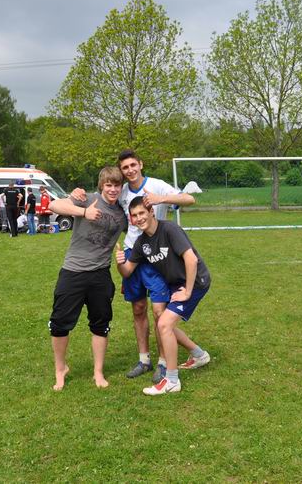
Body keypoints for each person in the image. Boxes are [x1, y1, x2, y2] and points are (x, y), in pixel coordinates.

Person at [72, 149, 195, 382]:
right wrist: (77, 193)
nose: (130, 170)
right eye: (125, 168)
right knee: (138, 308)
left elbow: (189, 199)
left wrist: (161, 199)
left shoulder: (157, 186)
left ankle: (163, 362)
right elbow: (103, 197)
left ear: (140, 164)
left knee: (159, 311)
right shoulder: (122, 191)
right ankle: (144, 359)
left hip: (157, 255)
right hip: (132, 253)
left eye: (132, 165)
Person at [116, 196, 211, 395]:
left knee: (164, 325)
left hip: (196, 281)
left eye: (142, 213)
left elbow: (191, 260)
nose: (139, 218)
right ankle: (198, 354)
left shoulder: (169, 229)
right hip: (177, 284)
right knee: (165, 324)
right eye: (134, 215)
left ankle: (172, 381)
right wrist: (119, 263)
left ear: (151, 212)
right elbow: (127, 271)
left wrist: (188, 291)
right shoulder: (142, 242)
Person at [47, 166, 128, 391]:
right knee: (60, 324)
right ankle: (60, 369)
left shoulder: (122, 214)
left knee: (100, 325)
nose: (113, 189)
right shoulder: (87, 199)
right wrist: (83, 212)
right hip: (72, 272)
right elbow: (54, 205)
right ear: (102, 185)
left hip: (100, 275)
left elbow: (140, 227)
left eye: (117, 185)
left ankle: (98, 372)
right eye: (109, 185)